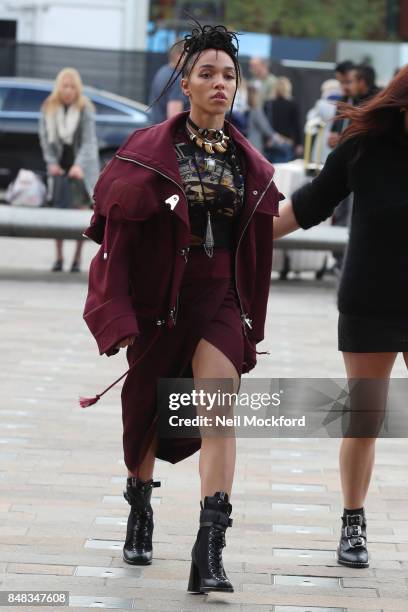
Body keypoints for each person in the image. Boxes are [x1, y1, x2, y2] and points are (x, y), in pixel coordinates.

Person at [81, 20, 284, 594]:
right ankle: (140, 507)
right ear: (186, 85)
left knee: (219, 412)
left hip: (221, 292)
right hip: (161, 294)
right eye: (207, 74)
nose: (220, 84)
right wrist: (116, 315)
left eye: (229, 75)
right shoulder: (146, 154)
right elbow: (117, 244)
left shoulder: (249, 162)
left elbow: (259, 232)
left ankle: (210, 547)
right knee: (147, 407)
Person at [272, 66, 408, 569]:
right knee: (365, 420)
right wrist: (236, 240)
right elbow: (307, 206)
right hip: (369, 301)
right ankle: (353, 521)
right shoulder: (363, 147)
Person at [39, 67, 99, 273]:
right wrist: (51, 163)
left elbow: (89, 142)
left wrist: (78, 166)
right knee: (59, 212)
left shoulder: (85, 108)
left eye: (72, 86)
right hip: (59, 168)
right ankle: (58, 257)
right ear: (59, 87)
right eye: (65, 86)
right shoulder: (49, 106)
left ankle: (76, 258)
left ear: (77, 88)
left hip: (81, 169)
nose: (68, 90)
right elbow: (45, 138)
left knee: (80, 215)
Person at [264, 76, 303, 163]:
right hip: (287, 141)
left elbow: (264, 125)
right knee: (283, 173)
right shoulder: (292, 104)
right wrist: (299, 144)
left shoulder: (268, 104)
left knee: (269, 173)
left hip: (271, 141)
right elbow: (296, 125)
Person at [148, 40, 187, 124]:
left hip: (156, 130)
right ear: (179, 56)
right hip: (168, 134)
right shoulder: (176, 79)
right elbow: (174, 119)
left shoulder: (162, 71)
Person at [305, 79, 342, 165]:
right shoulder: (343, 102)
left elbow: (311, 118)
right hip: (337, 137)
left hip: (323, 136)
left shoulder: (321, 103)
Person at [246, 83, 287, 156]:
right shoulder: (256, 110)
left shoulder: (247, 109)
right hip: (255, 144)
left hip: (248, 142)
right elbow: (265, 127)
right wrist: (276, 137)